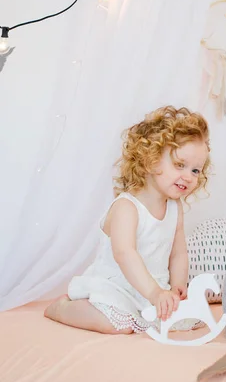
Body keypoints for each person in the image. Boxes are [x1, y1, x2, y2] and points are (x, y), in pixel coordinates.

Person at [44, 106, 211, 335]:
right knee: (117, 324)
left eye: (195, 170)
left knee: (187, 318)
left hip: (154, 288)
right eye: (179, 165)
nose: (188, 176)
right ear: (151, 161)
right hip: (118, 287)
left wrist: (177, 285)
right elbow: (125, 254)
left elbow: (178, 252)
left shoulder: (174, 207)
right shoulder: (127, 207)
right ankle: (63, 309)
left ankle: (155, 303)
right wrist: (154, 293)